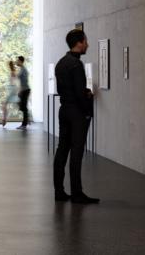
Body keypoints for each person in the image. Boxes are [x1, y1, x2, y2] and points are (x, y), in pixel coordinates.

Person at [53, 29, 100, 204]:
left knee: (62, 150)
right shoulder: (76, 64)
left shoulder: (61, 63)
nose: (87, 44)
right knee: (76, 152)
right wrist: (87, 107)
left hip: (64, 109)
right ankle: (77, 193)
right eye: (85, 41)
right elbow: (80, 93)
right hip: (77, 113)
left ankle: (59, 191)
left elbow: (62, 89)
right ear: (79, 43)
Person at [0, 61, 19, 127]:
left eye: (8, 65)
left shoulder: (13, 72)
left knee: (4, 105)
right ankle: (4, 120)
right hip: (12, 89)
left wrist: (14, 90)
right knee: (5, 105)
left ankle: (4, 120)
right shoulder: (12, 72)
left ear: (10, 65)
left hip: (12, 90)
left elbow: (14, 82)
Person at [15, 56, 30, 130]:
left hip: (25, 90)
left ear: (21, 61)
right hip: (24, 90)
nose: (16, 62)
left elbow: (25, 81)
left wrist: (21, 90)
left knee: (23, 107)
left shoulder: (23, 70)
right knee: (22, 106)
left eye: (17, 61)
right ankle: (26, 121)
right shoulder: (22, 69)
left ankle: (24, 124)